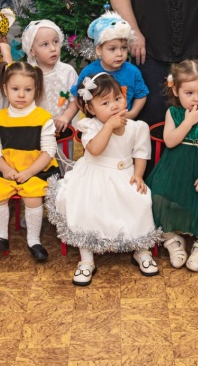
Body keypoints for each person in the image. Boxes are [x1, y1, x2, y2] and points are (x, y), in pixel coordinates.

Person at [46, 73, 160, 286]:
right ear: (91, 108)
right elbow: (95, 150)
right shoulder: (90, 126)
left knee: (141, 201)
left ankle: (141, 250)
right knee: (86, 207)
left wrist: (138, 175)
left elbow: (141, 154)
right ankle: (86, 259)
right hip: (94, 175)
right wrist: (108, 126)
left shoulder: (138, 127)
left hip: (125, 174)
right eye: (105, 103)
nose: (114, 105)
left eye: (118, 98)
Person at [148, 60, 198, 272]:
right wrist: (188, 122)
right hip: (175, 168)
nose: (196, 98)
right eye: (189, 93)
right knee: (157, 198)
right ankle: (172, 241)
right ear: (176, 90)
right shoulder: (173, 113)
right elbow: (170, 141)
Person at [0, 62, 58, 262]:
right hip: (6, 169)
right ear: (5, 89)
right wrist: (5, 169)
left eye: (28, 90)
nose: (21, 95)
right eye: (15, 89)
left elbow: (49, 151)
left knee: (33, 196)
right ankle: (1, 237)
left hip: (36, 169)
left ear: (36, 90)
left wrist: (29, 172)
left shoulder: (43, 117)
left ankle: (34, 241)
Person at [71, 11, 148, 120]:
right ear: (99, 50)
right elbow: (78, 96)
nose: (119, 54)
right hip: (96, 123)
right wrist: (90, 115)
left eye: (124, 48)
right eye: (112, 49)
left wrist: (132, 114)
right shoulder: (89, 72)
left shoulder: (132, 72)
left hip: (124, 121)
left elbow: (141, 94)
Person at [21, 19, 79, 133]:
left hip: (62, 129)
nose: (53, 48)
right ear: (32, 51)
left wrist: (66, 116)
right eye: (45, 44)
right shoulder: (28, 73)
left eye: (55, 42)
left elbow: (76, 99)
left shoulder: (67, 71)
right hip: (35, 130)